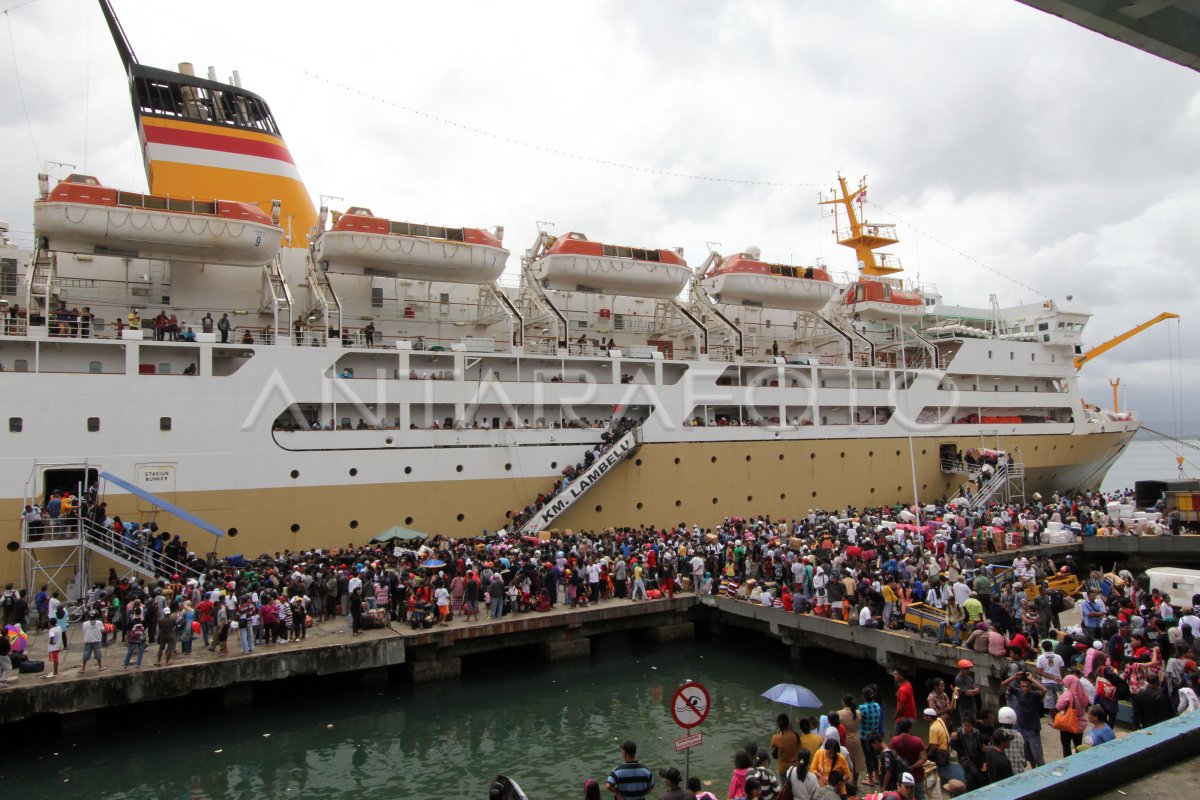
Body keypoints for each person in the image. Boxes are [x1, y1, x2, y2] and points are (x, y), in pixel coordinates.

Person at [1001, 669, 1046, 767]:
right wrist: (1014, 677)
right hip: (1022, 728)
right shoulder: (1018, 692)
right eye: (1023, 686)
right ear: (1020, 686)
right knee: (1028, 755)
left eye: (1027, 686)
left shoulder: (1034, 696)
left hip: (1032, 729)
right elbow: (1003, 684)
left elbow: (1044, 690)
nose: (1025, 688)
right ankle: (1033, 769)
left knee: (1038, 756)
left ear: (1030, 687)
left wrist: (1032, 679)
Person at [1054, 674, 1089, 756]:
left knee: (1066, 747)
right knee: (1078, 745)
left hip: (1068, 724)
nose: (1065, 684)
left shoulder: (1068, 694)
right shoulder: (1083, 694)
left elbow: (1058, 707)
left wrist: (1059, 698)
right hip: (1079, 725)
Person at [893, 669, 917, 735]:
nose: (894, 676)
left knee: (896, 738)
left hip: (905, 718)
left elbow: (901, 708)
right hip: (912, 716)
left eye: (896, 674)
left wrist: (895, 716)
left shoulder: (903, 690)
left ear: (901, 677)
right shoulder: (908, 684)